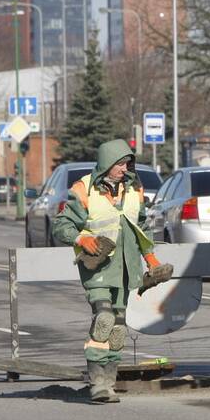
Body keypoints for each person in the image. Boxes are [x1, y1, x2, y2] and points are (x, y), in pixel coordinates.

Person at [53, 138, 172, 403]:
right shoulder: (83, 188)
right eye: (120, 164)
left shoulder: (134, 189)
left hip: (126, 269)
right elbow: (61, 225)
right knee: (104, 318)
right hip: (96, 267)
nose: (124, 168)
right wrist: (81, 239)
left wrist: (150, 258)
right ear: (107, 163)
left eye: (127, 163)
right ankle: (96, 384)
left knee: (117, 327)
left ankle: (109, 384)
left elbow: (141, 227)